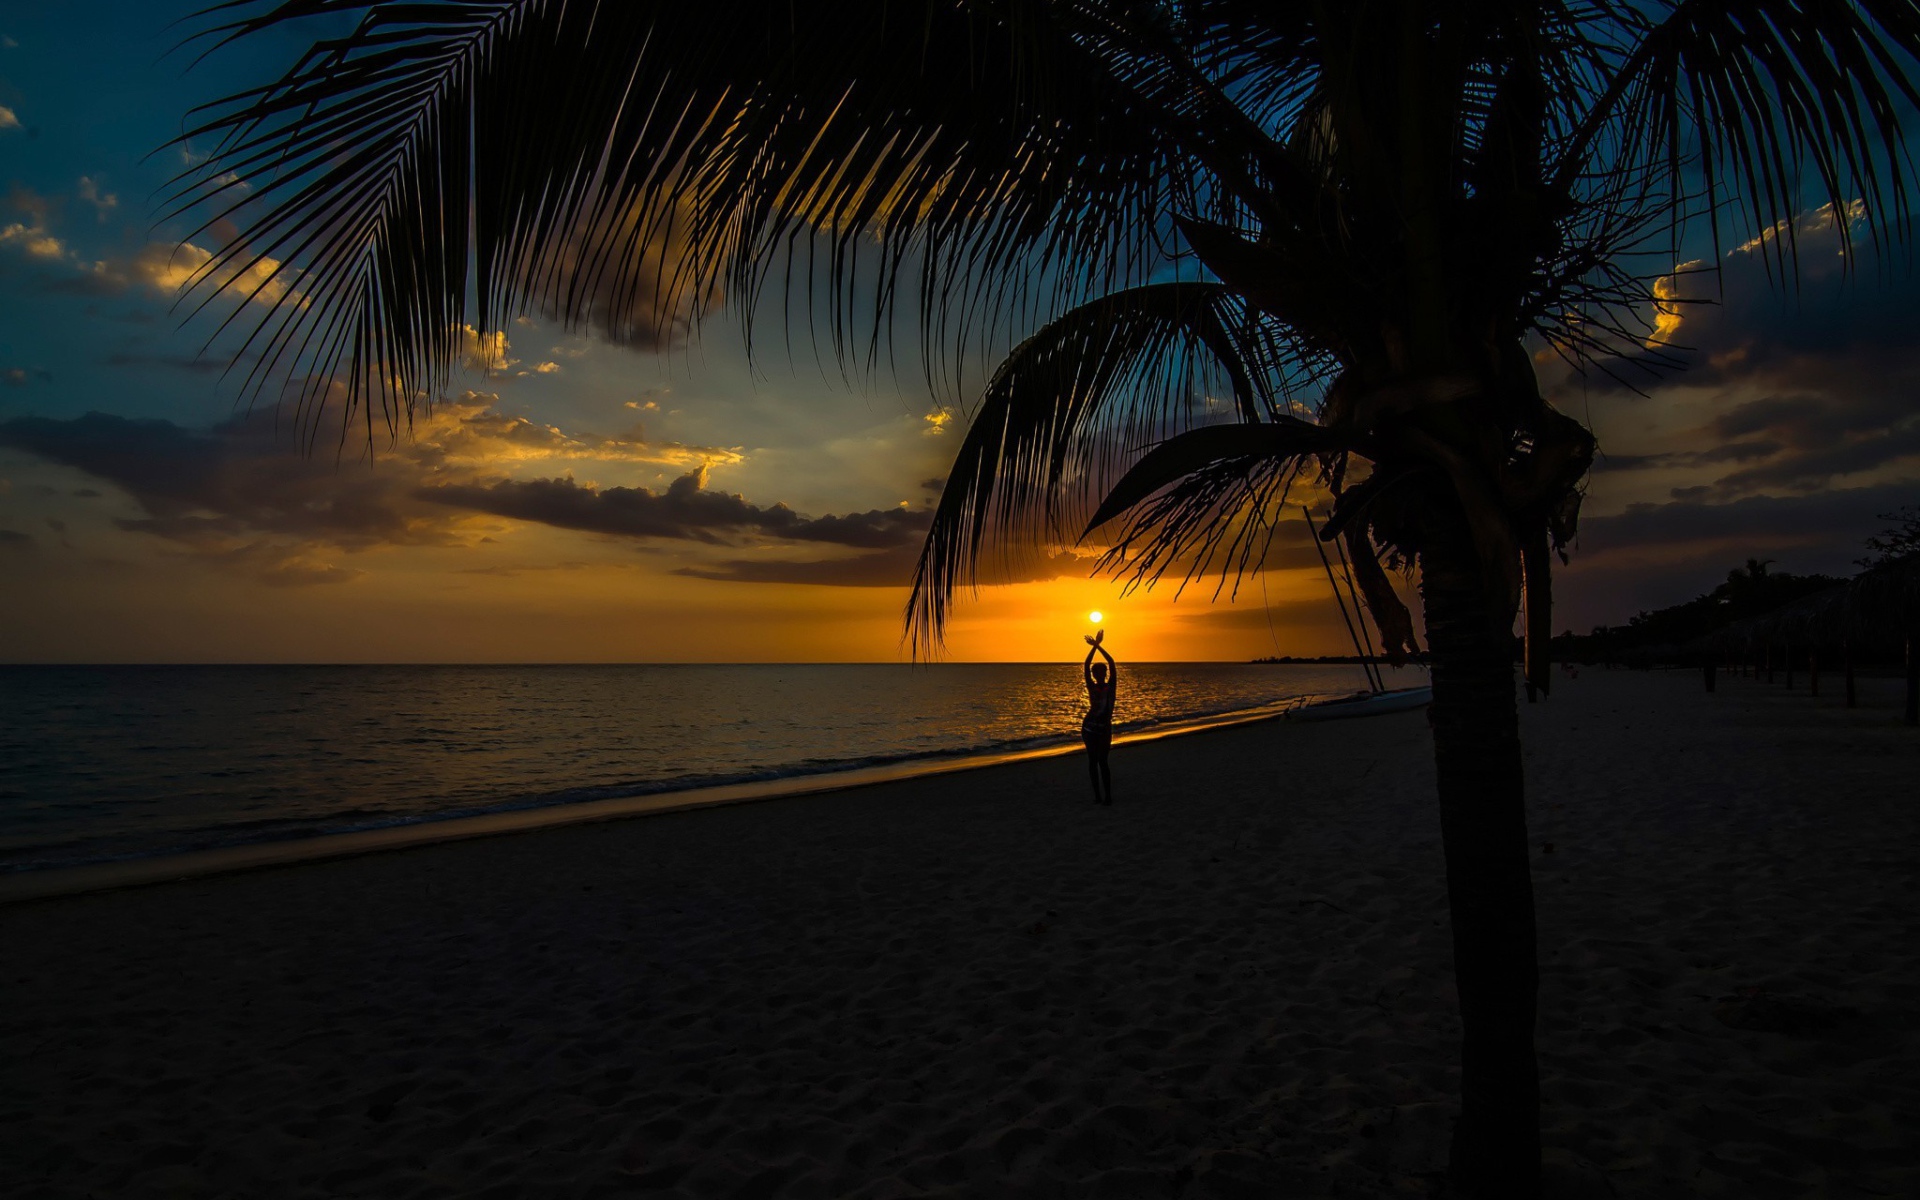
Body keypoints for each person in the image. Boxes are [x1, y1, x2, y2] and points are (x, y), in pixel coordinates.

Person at [1082, 630, 1117, 806]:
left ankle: (1108, 796)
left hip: (1104, 728)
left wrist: (1098, 645)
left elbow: (1112, 663)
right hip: (1089, 728)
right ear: (1095, 675)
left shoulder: (1111, 686)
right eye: (1097, 673)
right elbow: (1086, 665)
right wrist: (1093, 649)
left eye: (1102, 672)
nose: (1100, 675)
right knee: (1092, 762)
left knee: (1103, 762)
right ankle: (1097, 796)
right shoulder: (1092, 686)